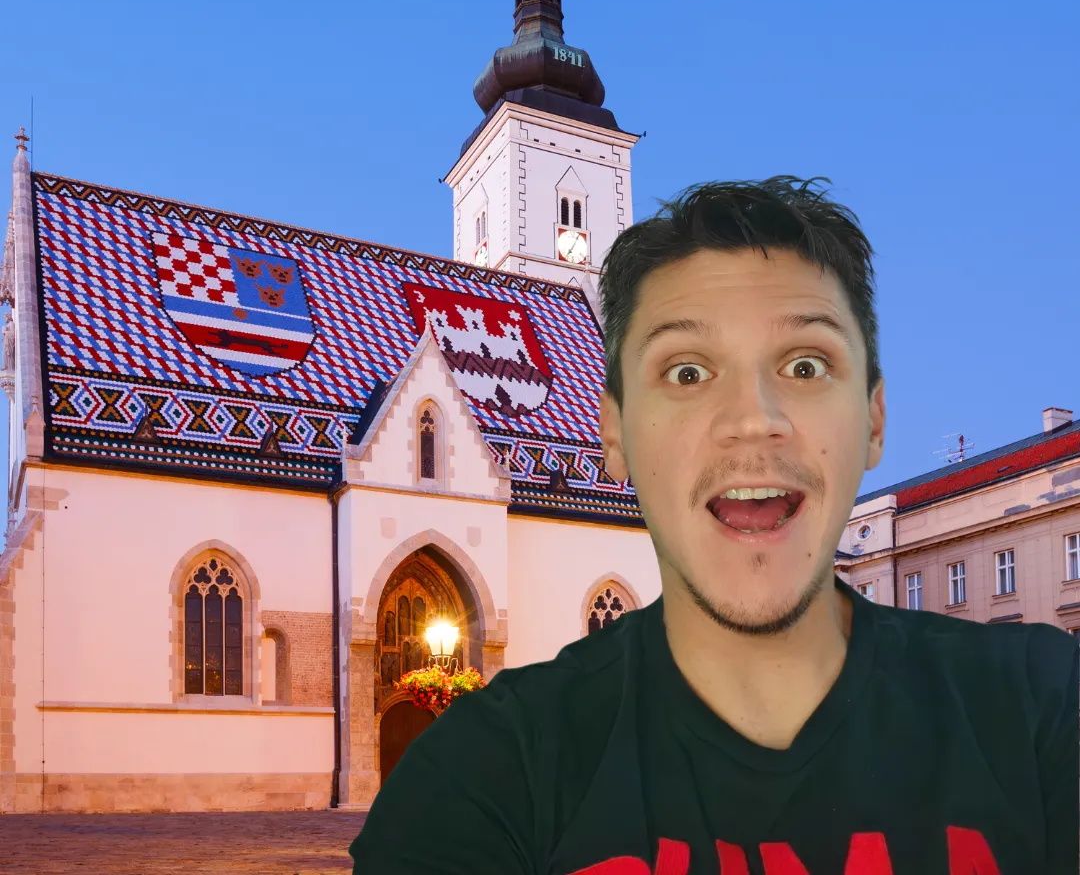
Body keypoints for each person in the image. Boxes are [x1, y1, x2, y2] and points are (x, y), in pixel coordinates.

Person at [349, 177, 1078, 874]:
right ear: (615, 435)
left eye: (804, 363)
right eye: (688, 372)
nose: (753, 420)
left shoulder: (1043, 710)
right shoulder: (484, 772)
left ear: (874, 419)